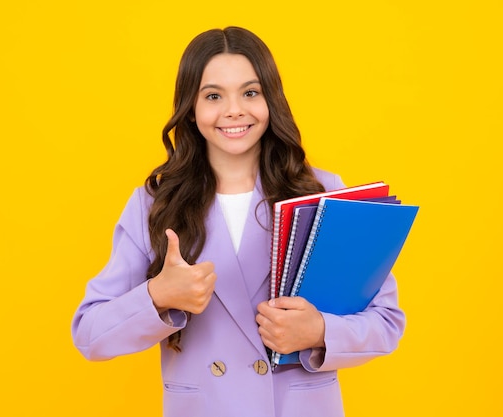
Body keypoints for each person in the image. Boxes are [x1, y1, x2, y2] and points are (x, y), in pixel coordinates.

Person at [71, 26, 405, 417]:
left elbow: (386, 321)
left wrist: (319, 332)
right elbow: (90, 335)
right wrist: (158, 295)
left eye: (250, 92)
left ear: (271, 100)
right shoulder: (153, 204)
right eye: (213, 96)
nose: (234, 110)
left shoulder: (324, 192)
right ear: (190, 110)